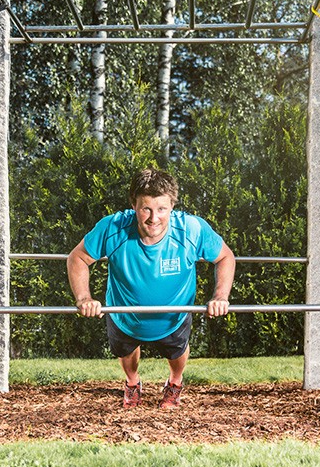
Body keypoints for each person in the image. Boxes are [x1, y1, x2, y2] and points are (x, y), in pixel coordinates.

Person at [67, 168, 235, 410]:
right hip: (124, 314)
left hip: (173, 316)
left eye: (162, 209)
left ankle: (175, 383)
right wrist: (84, 298)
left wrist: (220, 297)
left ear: (172, 207)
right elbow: (77, 258)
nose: (153, 218)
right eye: (146, 208)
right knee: (125, 351)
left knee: (176, 352)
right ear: (133, 205)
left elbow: (225, 257)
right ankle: (132, 383)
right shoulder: (113, 228)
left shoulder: (191, 229)